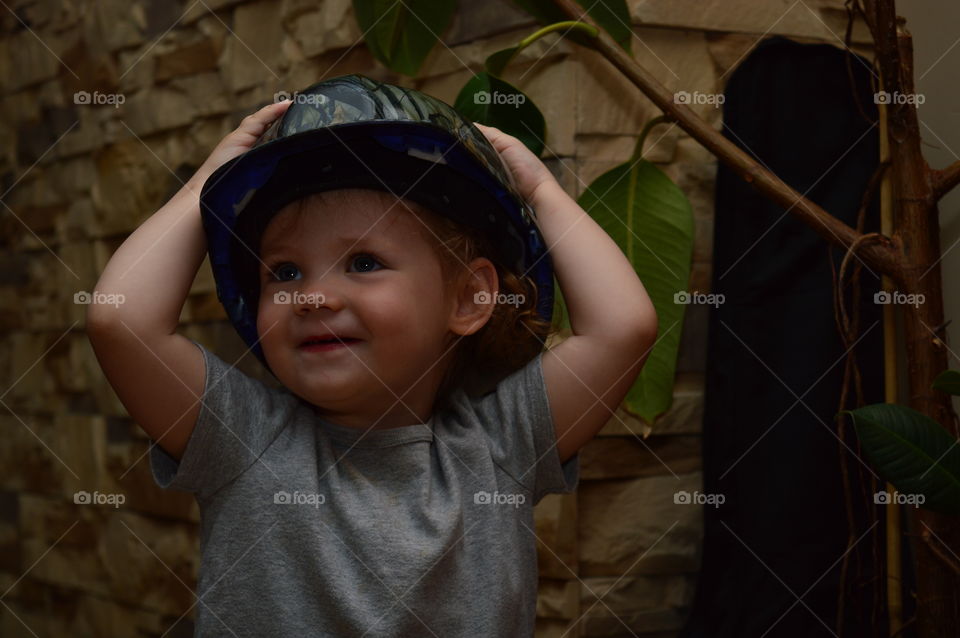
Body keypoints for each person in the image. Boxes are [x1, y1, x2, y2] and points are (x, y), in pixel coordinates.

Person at [86, 75, 658, 637]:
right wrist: (208, 183)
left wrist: (540, 192)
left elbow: (623, 328)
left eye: (363, 263)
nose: (313, 297)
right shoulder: (241, 440)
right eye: (283, 273)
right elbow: (121, 319)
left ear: (468, 298)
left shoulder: (503, 446)